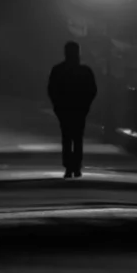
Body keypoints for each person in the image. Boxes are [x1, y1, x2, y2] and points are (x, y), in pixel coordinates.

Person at [47, 41, 98, 178]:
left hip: (64, 108)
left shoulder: (58, 70)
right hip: (79, 108)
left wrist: (57, 105)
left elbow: (52, 89)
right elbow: (92, 90)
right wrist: (86, 105)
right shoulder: (85, 71)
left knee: (67, 137)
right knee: (78, 137)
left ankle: (69, 166)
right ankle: (76, 166)